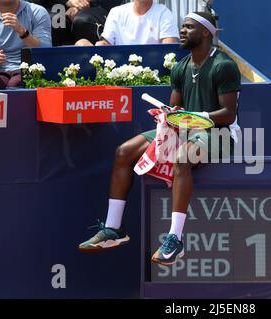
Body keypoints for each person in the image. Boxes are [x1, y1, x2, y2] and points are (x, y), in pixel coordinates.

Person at [78, 11, 241, 266]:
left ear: (206, 32)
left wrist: (196, 116)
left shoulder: (224, 66)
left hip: (219, 133)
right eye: (182, 27)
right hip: (186, 128)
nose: (183, 31)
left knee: (181, 158)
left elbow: (229, 115)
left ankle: (175, 240)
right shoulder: (181, 67)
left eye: (188, 27)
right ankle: (113, 229)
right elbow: (175, 109)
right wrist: (170, 115)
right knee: (123, 152)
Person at [0, 0, 51, 89]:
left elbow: (46, 51)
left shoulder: (37, 11)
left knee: (15, 84)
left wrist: (22, 31)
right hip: (1, 72)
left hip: (32, 68)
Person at [75, 0, 178, 46]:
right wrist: (100, 45)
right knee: (82, 43)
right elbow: (106, 42)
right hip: (119, 72)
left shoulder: (164, 13)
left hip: (153, 73)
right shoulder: (116, 12)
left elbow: (168, 49)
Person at [29, 0, 123, 46]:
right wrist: (67, 2)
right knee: (56, 22)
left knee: (83, 21)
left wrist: (80, 4)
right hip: (58, 5)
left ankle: (97, 65)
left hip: (95, 5)